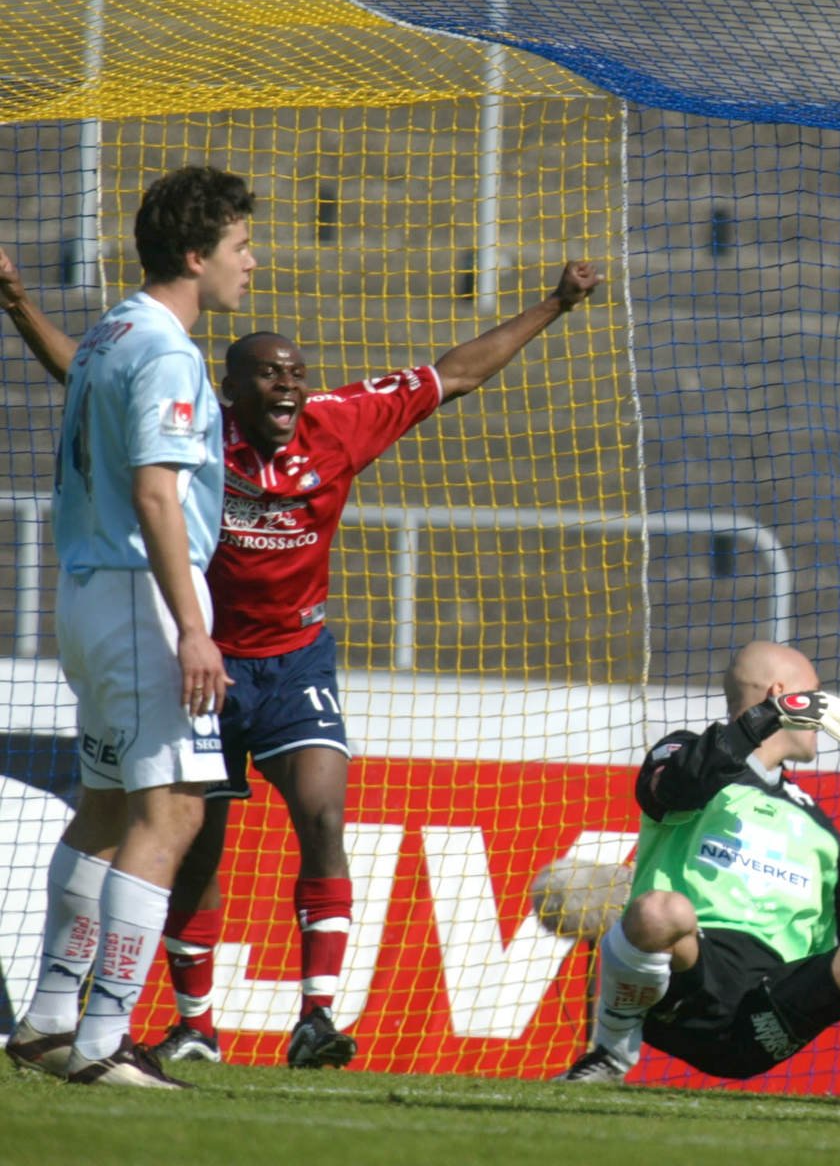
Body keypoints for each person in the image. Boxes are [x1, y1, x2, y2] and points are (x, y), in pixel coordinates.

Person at [0, 229, 602, 1070]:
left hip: (292, 659)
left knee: (321, 810)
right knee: (188, 837)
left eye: (296, 373)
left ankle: (315, 1015)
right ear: (232, 388)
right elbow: (85, 377)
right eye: (269, 373)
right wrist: (22, 302)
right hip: (197, 649)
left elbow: (454, 373)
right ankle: (193, 1023)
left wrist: (555, 305)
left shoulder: (339, 424)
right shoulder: (199, 423)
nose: (289, 383)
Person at [1, 166, 251, 1087]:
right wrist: (194, 628)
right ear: (197, 254)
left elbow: (78, 383)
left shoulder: (112, 328)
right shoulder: (172, 351)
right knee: (173, 809)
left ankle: (48, 1019)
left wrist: (21, 305)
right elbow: (156, 489)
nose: (250, 264)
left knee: (107, 808)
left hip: (86, 590)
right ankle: (106, 1039)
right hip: (144, 595)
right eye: (239, 247)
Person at [553, 641, 840, 1085]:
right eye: (816, 694)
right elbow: (677, 786)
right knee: (659, 910)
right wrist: (770, 715)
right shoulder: (685, 754)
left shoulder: (818, 825)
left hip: (769, 1014)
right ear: (782, 694)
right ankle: (610, 1056)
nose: (826, 708)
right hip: (680, 991)